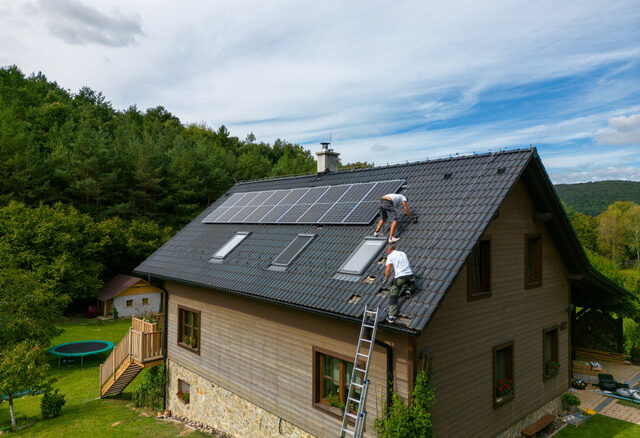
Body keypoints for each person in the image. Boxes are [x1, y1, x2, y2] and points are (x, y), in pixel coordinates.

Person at [384, 243, 414, 323]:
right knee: (411, 282)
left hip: (400, 277)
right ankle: (409, 289)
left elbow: (388, 270)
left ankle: (391, 316)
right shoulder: (402, 253)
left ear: (389, 250)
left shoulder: (390, 256)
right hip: (410, 276)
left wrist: (386, 278)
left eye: (387, 250)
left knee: (393, 295)